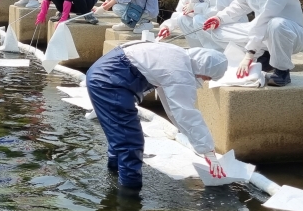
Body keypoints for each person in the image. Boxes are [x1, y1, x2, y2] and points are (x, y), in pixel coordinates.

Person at [86, 42, 230, 189]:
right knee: (130, 142)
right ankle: (129, 196)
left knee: (120, 137)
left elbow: (173, 109)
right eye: (208, 77)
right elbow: (185, 113)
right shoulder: (179, 71)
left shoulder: (177, 55)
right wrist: (208, 151)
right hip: (110, 82)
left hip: (104, 74)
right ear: (204, 68)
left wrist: (203, 147)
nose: (206, 81)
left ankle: (114, 175)